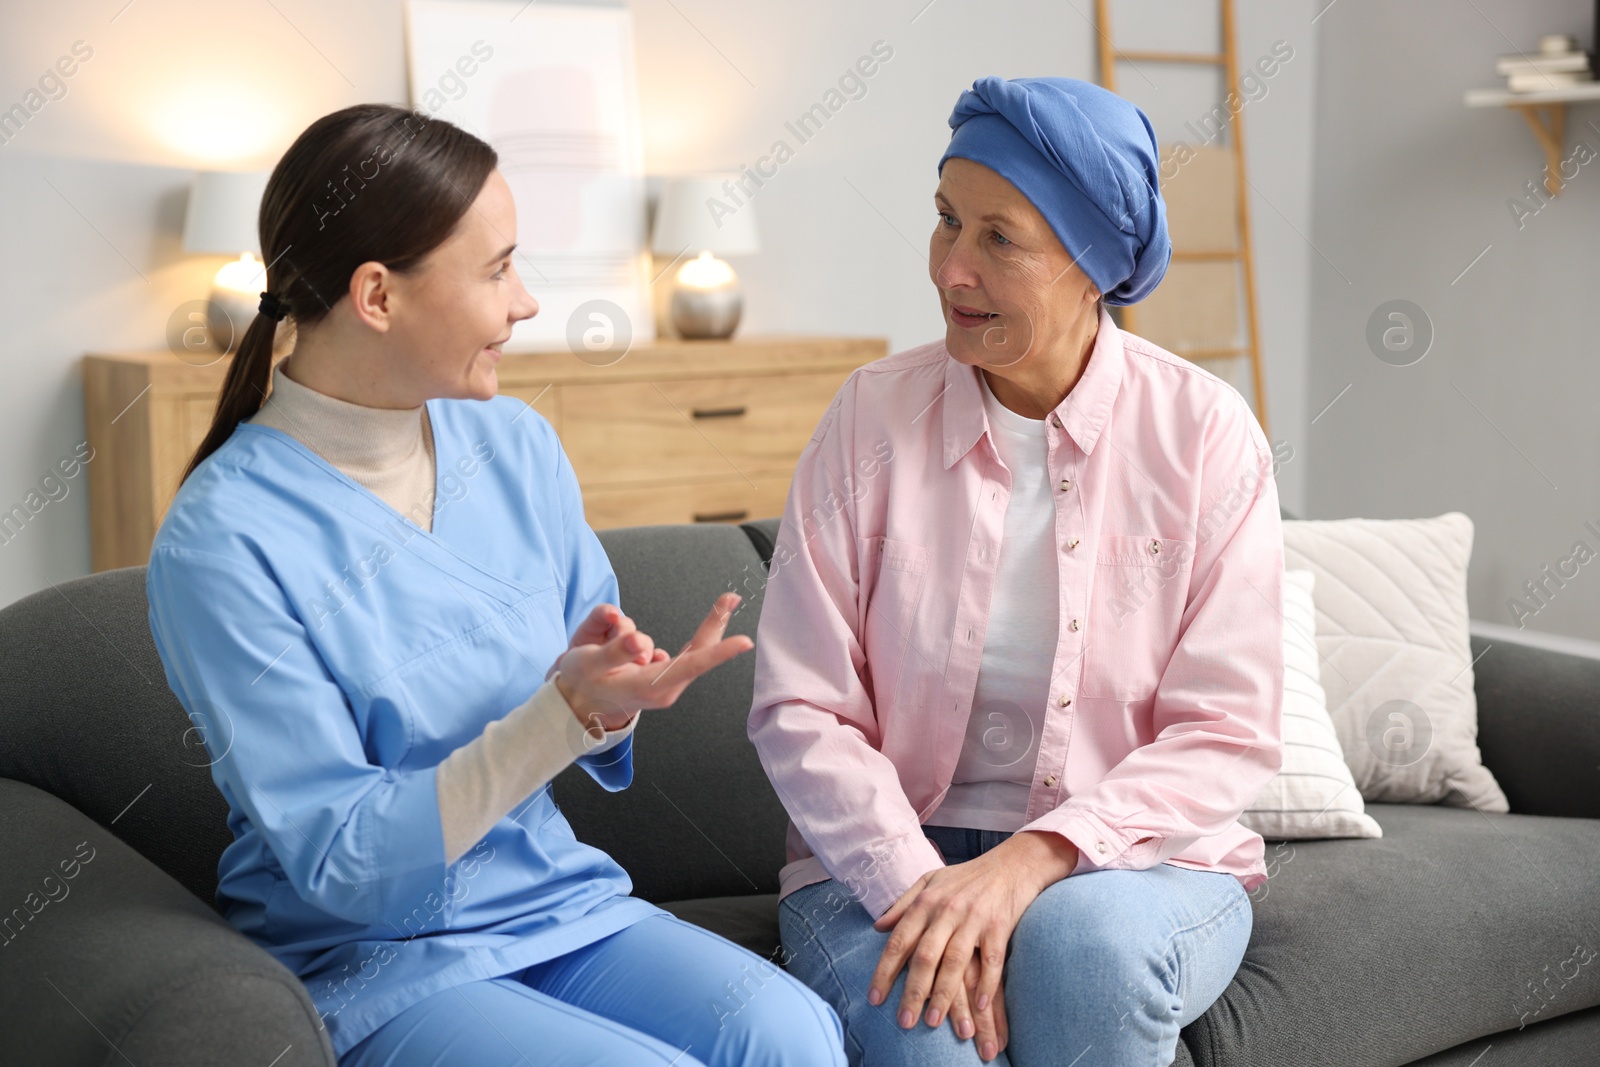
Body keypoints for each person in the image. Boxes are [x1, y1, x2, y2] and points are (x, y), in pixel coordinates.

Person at [146, 103, 845, 1067]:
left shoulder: (514, 447)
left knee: (793, 1032)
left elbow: (584, 688)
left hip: (550, 901)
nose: (525, 303)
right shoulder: (223, 540)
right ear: (378, 296)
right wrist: (559, 712)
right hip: (371, 955)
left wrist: (609, 696)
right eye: (497, 269)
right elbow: (343, 861)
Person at [748, 76, 1285, 1067]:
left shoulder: (1204, 435)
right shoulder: (871, 417)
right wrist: (926, 887)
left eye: (1000, 238)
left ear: (1094, 263)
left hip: (1136, 860)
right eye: (947, 219)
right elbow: (800, 705)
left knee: (1082, 947)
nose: (952, 266)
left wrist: (1034, 860)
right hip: (885, 854)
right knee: (928, 1035)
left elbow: (1227, 727)